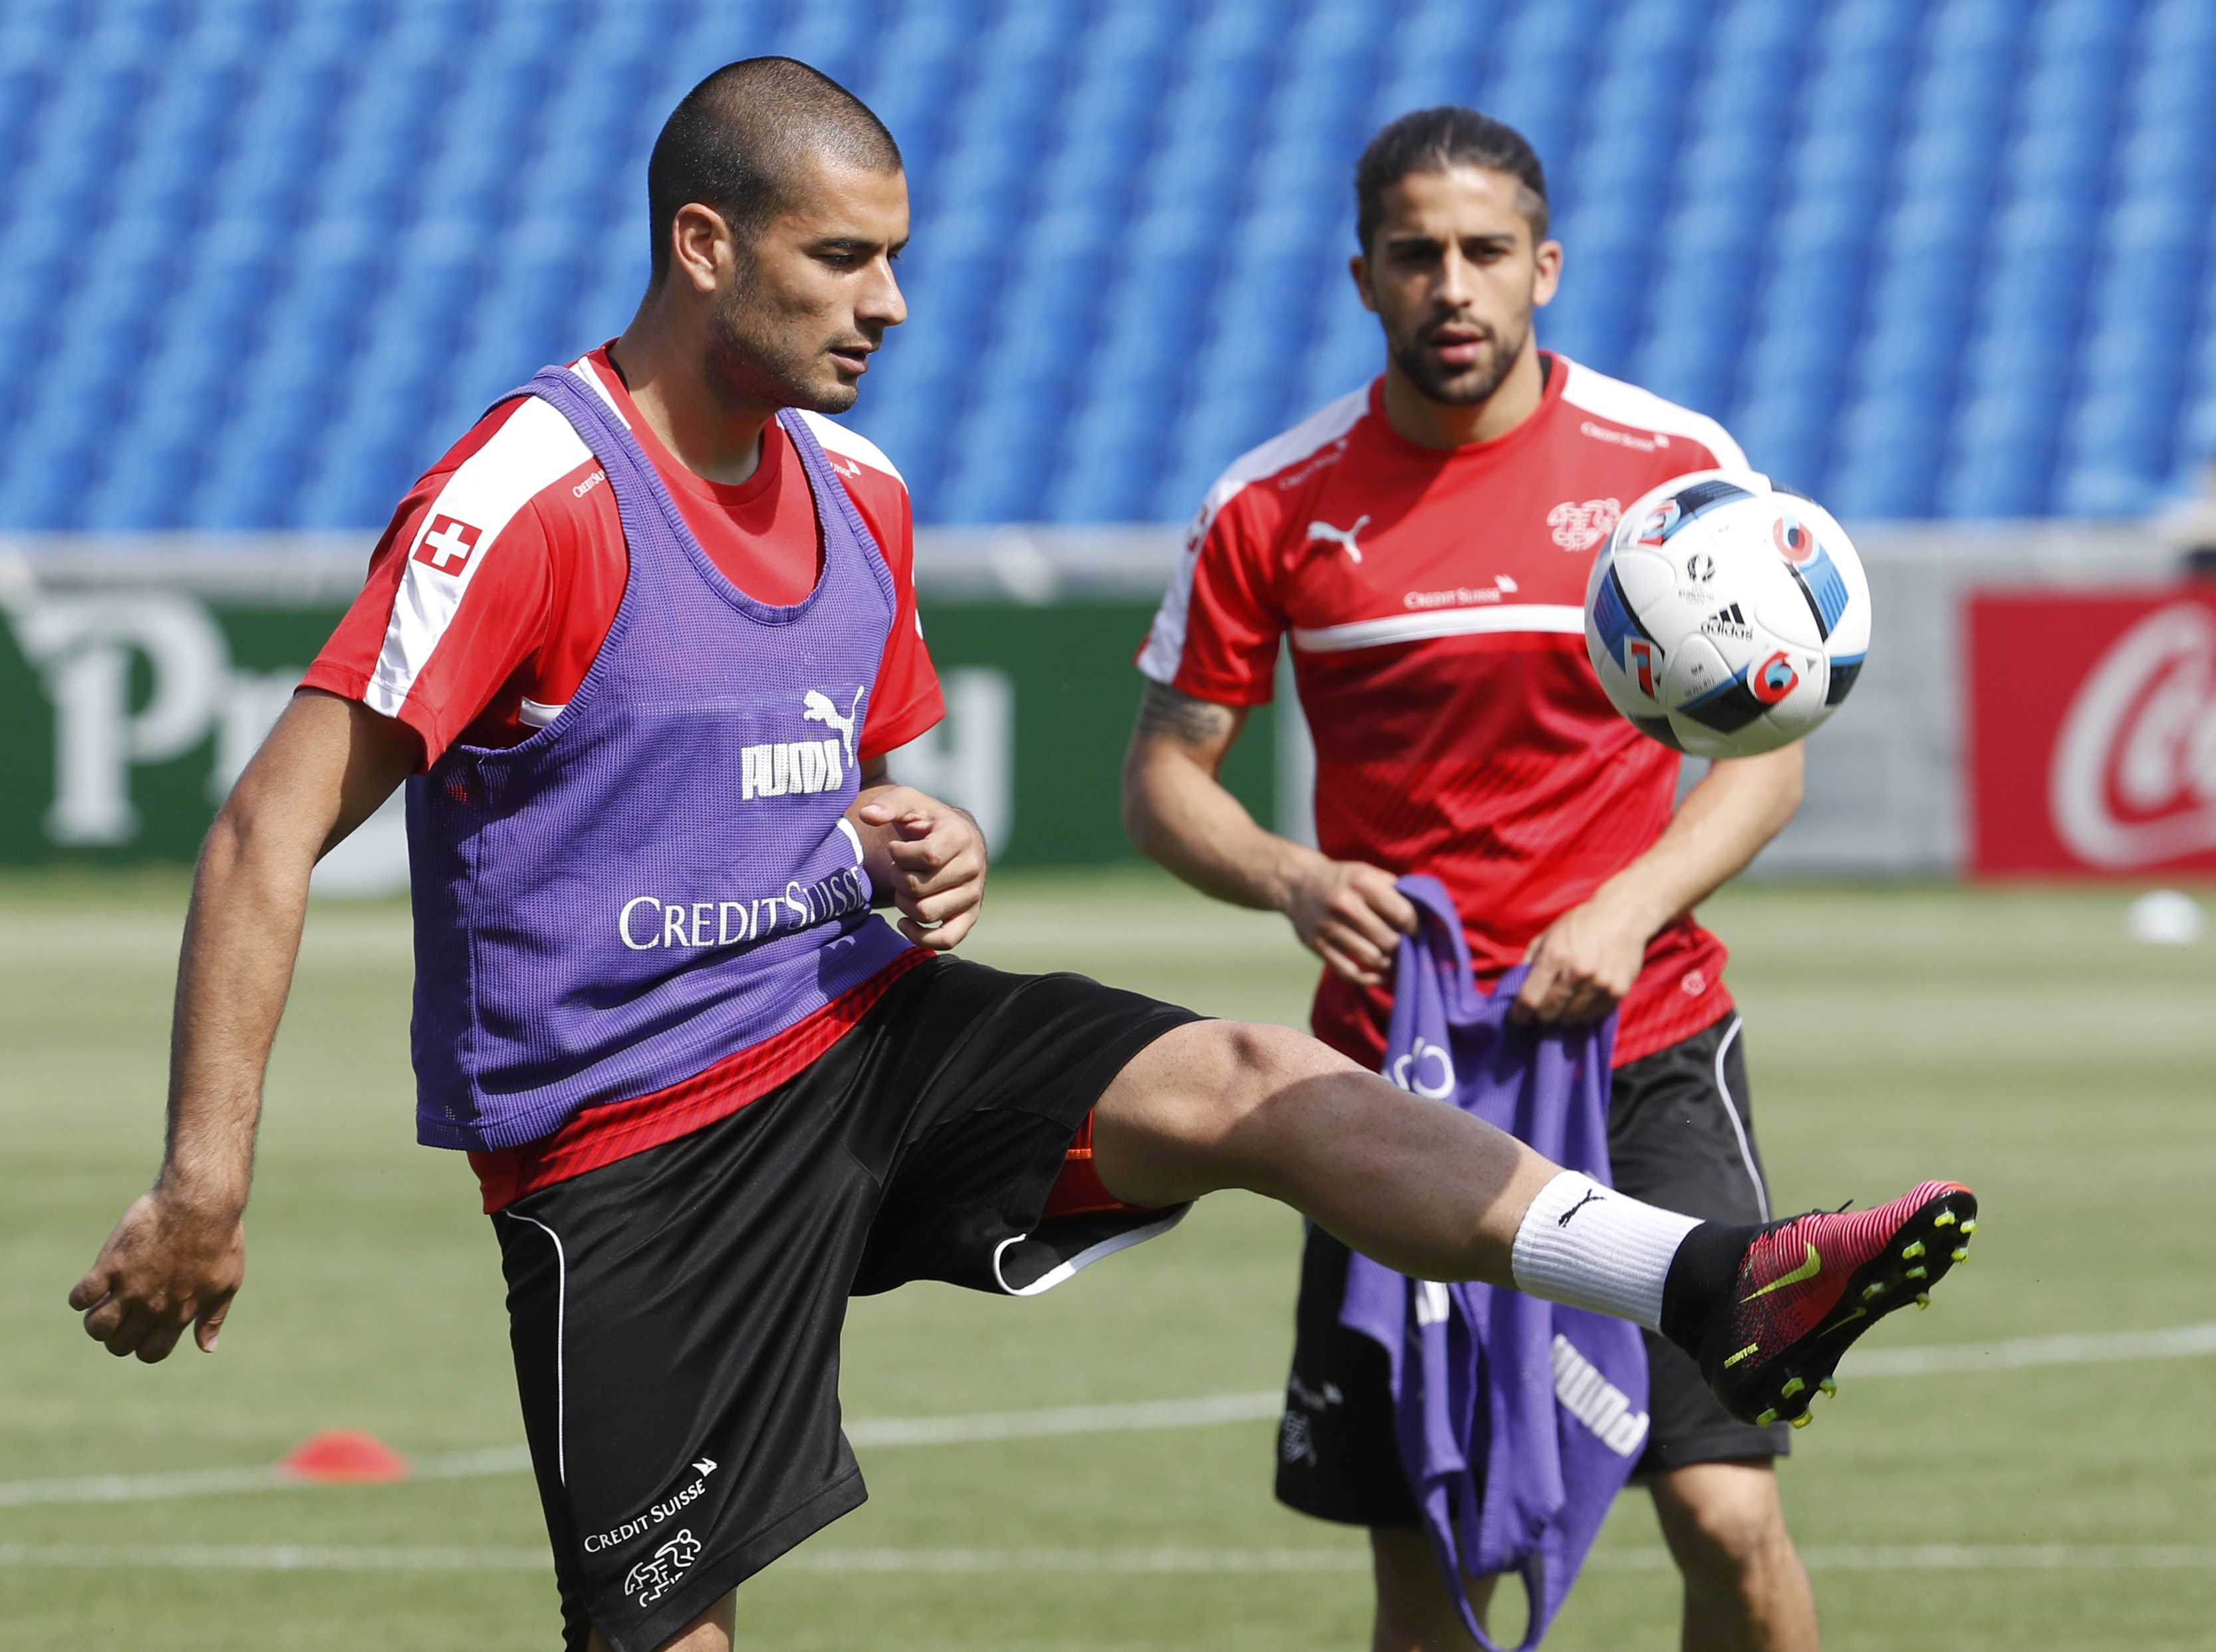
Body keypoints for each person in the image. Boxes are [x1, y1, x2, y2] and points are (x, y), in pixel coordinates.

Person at [68, 63, 1973, 1652]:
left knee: (1247, 1072)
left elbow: (872, 786)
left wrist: (927, 836)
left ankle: (1705, 1273)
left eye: (897, 259)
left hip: (860, 1032)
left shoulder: (861, 491)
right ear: (704, 247)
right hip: (624, 1135)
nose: (889, 305)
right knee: (668, 1632)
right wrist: (201, 1183)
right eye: (844, 260)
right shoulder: (532, 493)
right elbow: (266, 824)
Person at [1123, 108, 1844, 1652]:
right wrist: (1290, 877)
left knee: (1725, 1509)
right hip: (1394, 1075)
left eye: (1484, 252)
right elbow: (1164, 782)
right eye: (1415, 254)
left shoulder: (1672, 478)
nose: (1451, 285)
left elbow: (1768, 758)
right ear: (1363, 276)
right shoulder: (1272, 502)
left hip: (1644, 1048)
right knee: (1435, 1560)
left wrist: (1625, 904)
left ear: (1545, 267)